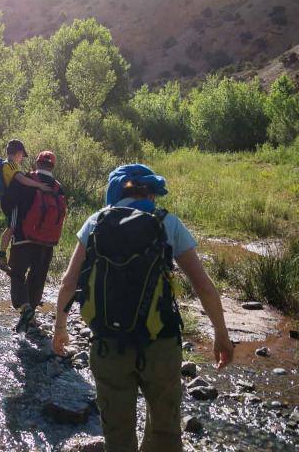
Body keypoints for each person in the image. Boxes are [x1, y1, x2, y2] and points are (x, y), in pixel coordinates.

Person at [53, 164, 234, 452]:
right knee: (165, 431)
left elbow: (68, 282)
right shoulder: (167, 223)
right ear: (149, 191)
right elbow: (204, 287)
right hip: (160, 343)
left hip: (108, 345)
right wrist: (221, 333)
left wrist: (60, 328)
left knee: (118, 433)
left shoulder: (95, 222)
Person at [0, 147, 60, 333]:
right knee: (38, 277)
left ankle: (25, 307)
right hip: (47, 242)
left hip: (23, 238)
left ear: (37, 163)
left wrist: (10, 219)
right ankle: (31, 314)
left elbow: (8, 201)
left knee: (17, 273)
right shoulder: (57, 186)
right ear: (52, 166)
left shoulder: (26, 178)